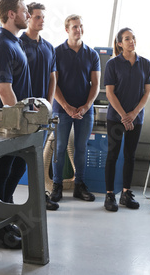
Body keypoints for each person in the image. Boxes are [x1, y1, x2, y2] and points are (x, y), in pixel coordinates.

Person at [0, 0, 31, 249]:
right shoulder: (2, 45)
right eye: (24, 10)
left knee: (16, 170)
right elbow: (4, 90)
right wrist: (19, 121)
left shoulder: (15, 42)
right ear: (11, 14)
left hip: (18, 122)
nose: (27, 14)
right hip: (8, 124)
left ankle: (4, 223)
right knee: (3, 174)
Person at [51, 14, 100, 203]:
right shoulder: (56, 52)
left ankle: (80, 185)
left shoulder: (92, 54)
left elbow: (95, 84)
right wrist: (67, 106)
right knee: (60, 148)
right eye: (74, 27)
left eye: (80, 26)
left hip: (85, 110)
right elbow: (53, 84)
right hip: (62, 109)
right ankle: (57, 186)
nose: (78, 30)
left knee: (81, 148)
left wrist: (86, 106)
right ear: (66, 30)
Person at [103, 27, 150, 212]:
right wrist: (124, 115)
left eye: (133, 38)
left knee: (130, 156)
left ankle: (126, 193)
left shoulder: (146, 64)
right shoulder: (112, 64)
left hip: (136, 118)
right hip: (116, 118)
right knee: (113, 155)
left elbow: (147, 92)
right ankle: (110, 195)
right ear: (119, 43)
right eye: (127, 39)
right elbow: (110, 93)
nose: (131, 41)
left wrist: (133, 114)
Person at [20, 2, 59, 211]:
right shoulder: (18, 45)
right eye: (37, 17)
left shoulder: (48, 47)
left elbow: (53, 78)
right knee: (18, 160)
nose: (42, 20)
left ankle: (39, 198)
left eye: (43, 17)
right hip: (24, 113)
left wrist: (49, 105)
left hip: (42, 113)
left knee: (37, 158)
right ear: (27, 18)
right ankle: (8, 200)